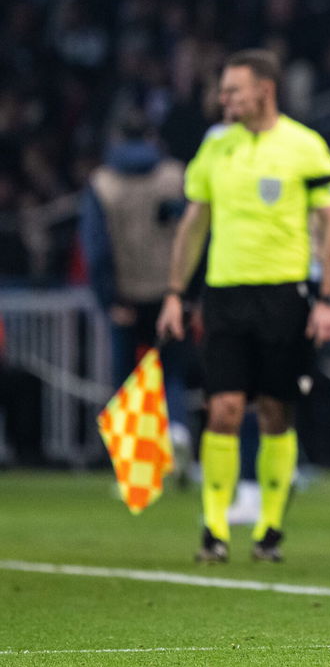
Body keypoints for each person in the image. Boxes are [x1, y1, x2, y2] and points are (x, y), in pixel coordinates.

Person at [156, 49, 330, 564]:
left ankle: (269, 528)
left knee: (275, 411)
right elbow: (194, 223)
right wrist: (176, 292)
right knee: (223, 408)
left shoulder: (306, 148)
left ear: (265, 89)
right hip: (224, 295)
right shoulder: (216, 147)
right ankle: (214, 529)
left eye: (233, 90)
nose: (224, 99)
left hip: (285, 294)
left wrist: (328, 297)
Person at [79, 111, 191, 468]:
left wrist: (107, 297)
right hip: (170, 292)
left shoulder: (102, 184)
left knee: (128, 382)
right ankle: (177, 432)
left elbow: (95, 249)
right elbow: (197, 234)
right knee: (171, 370)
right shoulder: (175, 176)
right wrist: (190, 291)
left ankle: (137, 463)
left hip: (126, 295)